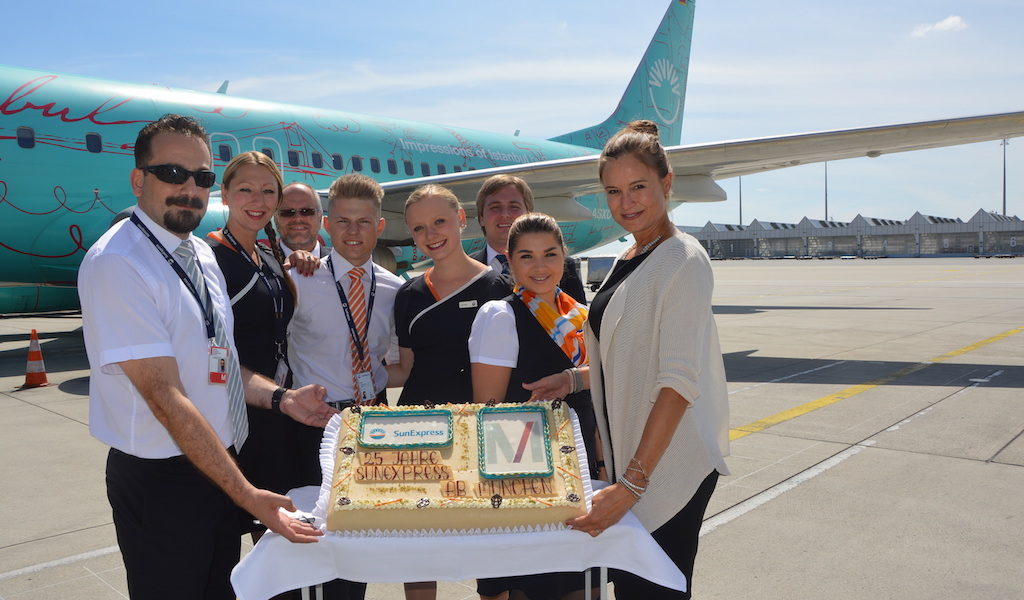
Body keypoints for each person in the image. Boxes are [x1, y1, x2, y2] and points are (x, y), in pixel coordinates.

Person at [78, 114, 333, 599]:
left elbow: (216, 361)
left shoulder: (197, 253)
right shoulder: (119, 262)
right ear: (139, 179)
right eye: (173, 173)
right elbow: (164, 395)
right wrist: (247, 493)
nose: (189, 188)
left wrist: (281, 399)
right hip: (165, 479)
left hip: (216, 465)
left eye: (201, 177)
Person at [530, 120, 730, 600]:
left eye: (639, 186)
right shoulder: (631, 255)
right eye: (614, 191)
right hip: (634, 461)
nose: (627, 202)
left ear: (666, 182)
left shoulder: (683, 258)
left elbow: (678, 380)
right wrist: (576, 380)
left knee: (654, 591)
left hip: (669, 464)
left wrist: (631, 485)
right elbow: (630, 352)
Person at [468, 213, 602, 600]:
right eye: (526, 256)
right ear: (509, 262)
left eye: (550, 254)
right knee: (529, 586)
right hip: (523, 475)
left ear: (565, 258)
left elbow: (599, 389)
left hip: (579, 468)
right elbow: (487, 409)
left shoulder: (581, 316)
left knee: (581, 585)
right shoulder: (500, 316)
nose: (540, 267)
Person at [388, 184, 509, 600]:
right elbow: (406, 367)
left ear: (461, 220)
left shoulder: (500, 288)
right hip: (419, 430)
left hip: (480, 435)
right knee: (420, 550)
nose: (430, 234)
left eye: (440, 221)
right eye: (419, 228)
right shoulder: (408, 294)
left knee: (489, 555)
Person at [205, 152, 324, 548]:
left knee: (275, 538)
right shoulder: (209, 258)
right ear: (224, 194)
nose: (257, 200)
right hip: (235, 415)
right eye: (245, 190)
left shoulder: (269, 258)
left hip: (277, 412)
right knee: (235, 537)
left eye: (267, 191)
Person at [288, 173, 404, 410]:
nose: (353, 231)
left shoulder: (395, 290)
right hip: (314, 416)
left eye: (363, 222)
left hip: (374, 414)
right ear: (328, 225)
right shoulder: (298, 280)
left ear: (379, 226)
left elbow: (398, 362)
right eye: (343, 221)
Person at [471, 175, 587, 304]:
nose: (505, 214)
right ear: (481, 218)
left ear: (528, 214)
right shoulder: (467, 270)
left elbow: (580, 320)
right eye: (495, 207)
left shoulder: (562, 267)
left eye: (514, 206)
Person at [276, 182, 328, 258]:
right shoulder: (260, 264)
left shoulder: (344, 264)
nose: (297, 219)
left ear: (320, 218)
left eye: (306, 211)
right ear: (276, 219)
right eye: (288, 212)